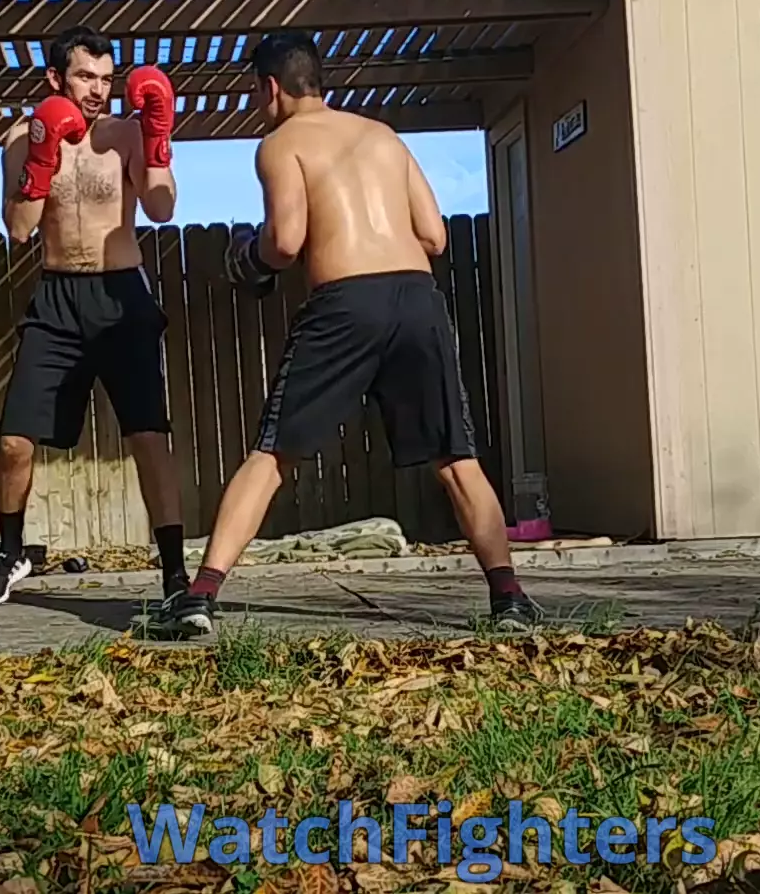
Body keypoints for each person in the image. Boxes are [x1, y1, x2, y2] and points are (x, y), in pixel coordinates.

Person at [152, 31, 542, 637]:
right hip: (415, 298)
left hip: (345, 303)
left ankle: (199, 596)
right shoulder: (383, 136)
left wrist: (245, 257)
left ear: (271, 87)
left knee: (273, 453)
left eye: (257, 94)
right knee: (455, 457)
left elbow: (285, 242)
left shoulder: (281, 143)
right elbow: (435, 237)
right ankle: (509, 598)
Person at [0, 25, 186, 610]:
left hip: (122, 294)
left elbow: (161, 208)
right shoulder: (23, 137)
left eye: (106, 79)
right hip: (57, 297)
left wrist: (158, 140)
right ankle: (10, 552)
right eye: (85, 76)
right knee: (14, 440)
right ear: (55, 78)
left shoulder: (126, 133)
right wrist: (41, 159)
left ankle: (174, 572)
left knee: (148, 436)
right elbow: (19, 229)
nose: (97, 90)